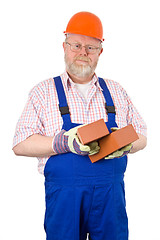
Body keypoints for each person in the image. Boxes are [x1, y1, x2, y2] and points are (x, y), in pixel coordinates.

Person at [13, 11, 147, 240]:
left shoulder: (117, 91)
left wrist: (126, 144)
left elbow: (142, 135)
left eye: (91, 47)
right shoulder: (42, 92)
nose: (83, 53)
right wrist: (63, 142)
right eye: (76, 45)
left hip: (110, 197)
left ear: (100, 52)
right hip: (65, 198)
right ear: (64, 46)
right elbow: (20, 144)